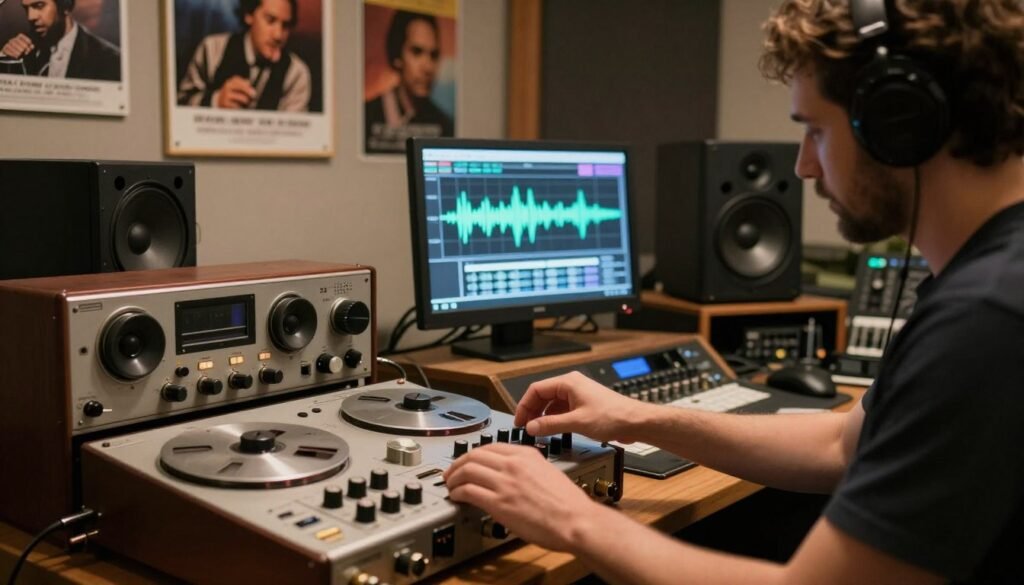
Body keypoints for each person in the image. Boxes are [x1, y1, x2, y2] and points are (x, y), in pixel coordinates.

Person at [444, 1, 1024, 583]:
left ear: (901, 122)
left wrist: (570, 518)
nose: (803, 168)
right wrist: (636, 418)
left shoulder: (986, 318)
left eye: (816, 130)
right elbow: (840, 446)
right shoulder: (979, 278)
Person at [177, 0, 310, 112]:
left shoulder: (296, 74)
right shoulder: (212, 49)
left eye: (285, 25)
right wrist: (215, 101)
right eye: (270, 20)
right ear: (249, 15)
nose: (278, 35)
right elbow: (180, 105)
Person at [364, 10, 454, 153]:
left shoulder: (445, 125)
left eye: (433, 55)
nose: (428, 67)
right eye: (417, 52)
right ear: (397, 56)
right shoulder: (367, 115)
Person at [0, 0, 120, 81]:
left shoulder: (110, 59)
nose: (31, 16)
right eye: (26, 8)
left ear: (65, 6)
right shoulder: (22, 49)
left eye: (39, 6)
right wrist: (5, 59)